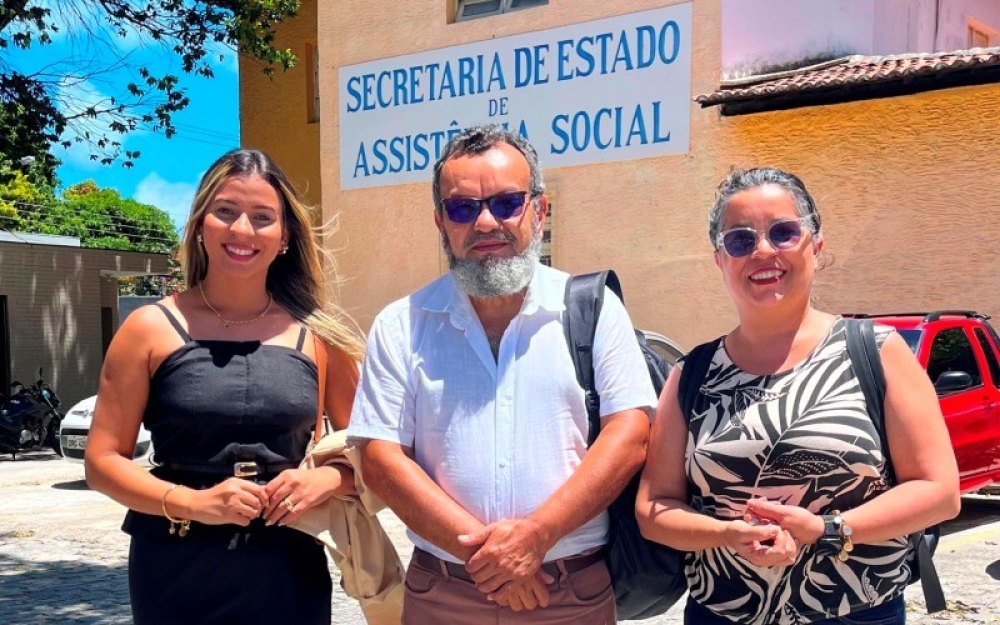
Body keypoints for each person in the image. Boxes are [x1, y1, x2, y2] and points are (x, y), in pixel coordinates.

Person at [348, 125, 657, 623]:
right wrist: (492, 559)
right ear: (440, 221)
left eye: (507, 203)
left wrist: (537, 536)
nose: (486, 222)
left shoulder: (594, 308)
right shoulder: (401, 322)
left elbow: (632, 433)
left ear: (539, 210)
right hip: (444, 595)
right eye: (463, 208)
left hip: (568, 594)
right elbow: (382, 459)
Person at [635, 167, 961, 624]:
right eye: (740, 240)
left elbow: (939, 491)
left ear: (817, 244)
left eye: (783, 233)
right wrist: (727, 534)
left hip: (854, 612)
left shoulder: (876, 351)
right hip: (722, 613)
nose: (763, 250)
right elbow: (654, 509)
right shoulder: (693, 373)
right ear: (720, 260)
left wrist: (828, 530)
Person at [85, 149, 366, 624]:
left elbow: (371, 453)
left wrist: (325, 479)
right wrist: (191, 503)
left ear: (284, 237)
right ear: (199, 224)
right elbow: (102, 461)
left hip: (288, 565)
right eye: (226, 212)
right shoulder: (149, 328)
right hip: (174, 566)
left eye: (262, 217)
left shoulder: (319, 335)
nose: (242, 231)